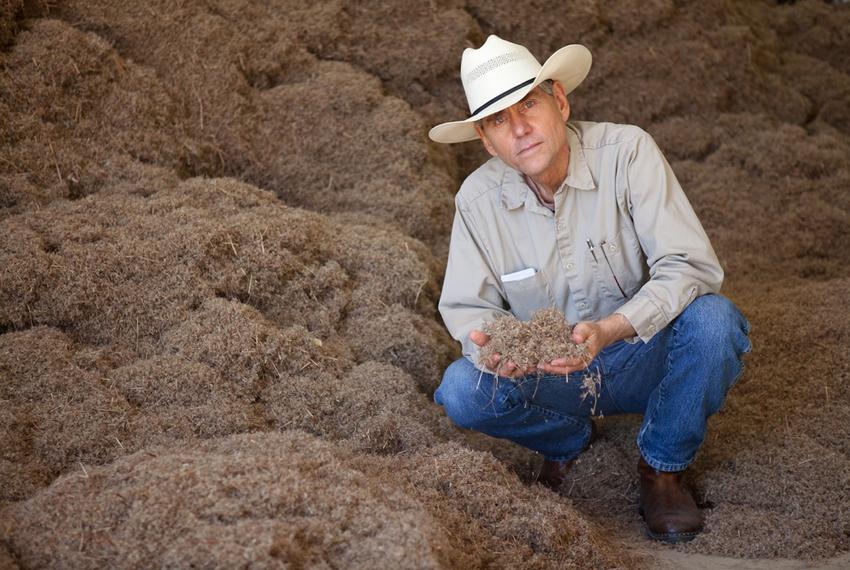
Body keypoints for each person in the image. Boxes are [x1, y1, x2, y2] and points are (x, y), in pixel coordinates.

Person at [428, 35, 751, 543]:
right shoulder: (476, 200)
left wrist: (607, 330)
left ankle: (661, 468)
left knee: (715, 322)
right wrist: (497, 351)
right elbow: (471, 311)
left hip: (642, 352)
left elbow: (689, 266)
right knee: (461, 392)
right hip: (552, 374)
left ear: (559, 100)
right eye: (497, 121)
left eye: (528, 104)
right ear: (486, 141)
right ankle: (569, 440)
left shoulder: (627, 152)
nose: (519, 129)